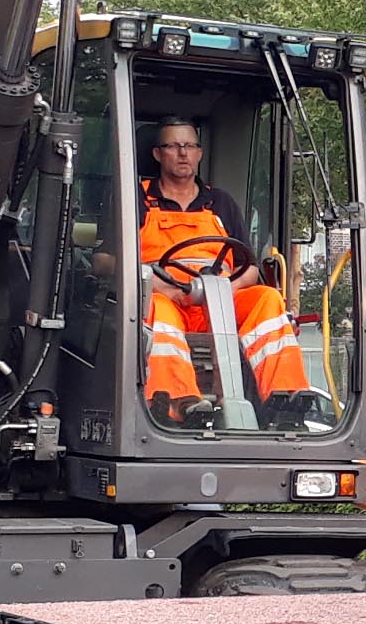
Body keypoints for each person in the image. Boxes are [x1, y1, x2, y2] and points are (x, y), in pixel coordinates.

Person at [137, 118, 327, 430]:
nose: (183, 153)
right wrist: (163, 288)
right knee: (157, 308)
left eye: (190, 146)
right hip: (166, 299)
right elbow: (107, 261)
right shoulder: (138, 199)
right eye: (174, 146)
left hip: (219, 304)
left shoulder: (220, 203)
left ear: (199, 153)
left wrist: (227, 290)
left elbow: (249, 267)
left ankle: (287, 397)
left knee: (267, 298)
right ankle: (179, 401)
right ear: (158, 154)